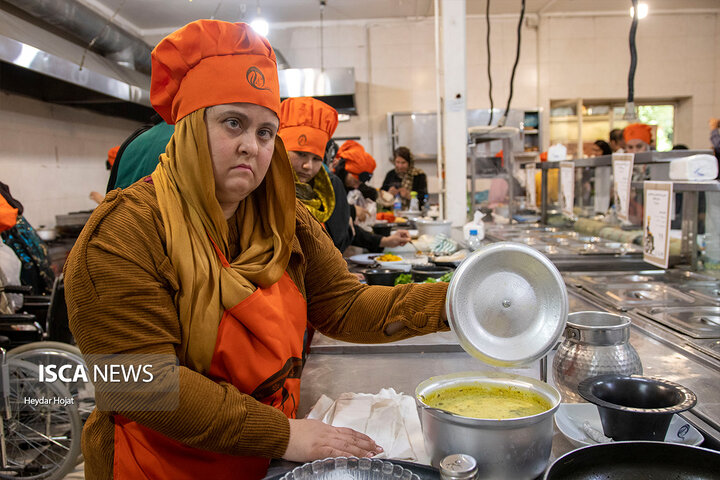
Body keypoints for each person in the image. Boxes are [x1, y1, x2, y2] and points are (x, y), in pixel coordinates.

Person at [63, 20, 448, 480]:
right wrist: (285, 435)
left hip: (257, 458)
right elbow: (140, 384)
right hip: (157, 466)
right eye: (233, 123)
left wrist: (455, 301)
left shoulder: (285, 220)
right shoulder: (125, 232)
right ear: (188, 130)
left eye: (266, 132)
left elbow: (345, 306)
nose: (251, 146)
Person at [278, 97, 409, 253]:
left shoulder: (321, 193)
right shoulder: (264, 192)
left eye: (316, 159)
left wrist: (384, 241)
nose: (308, 166)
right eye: (300, 155)